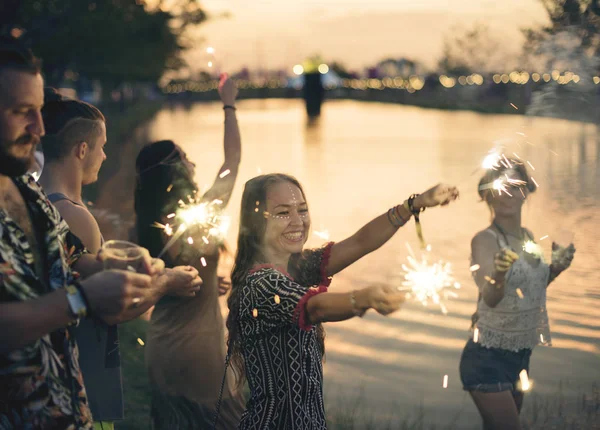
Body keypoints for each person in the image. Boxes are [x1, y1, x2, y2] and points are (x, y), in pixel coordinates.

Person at [0, 35, 166, 429]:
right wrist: (80, 299)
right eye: (23, 111)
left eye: (39, 111)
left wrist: (124, 267)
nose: (39, 128)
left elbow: (72, 261)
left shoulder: (26, 189)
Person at [225, 173, 459, 429]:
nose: (298, 222)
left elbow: (360, 242)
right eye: (283, 213)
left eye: (302, 210)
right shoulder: (260, 284)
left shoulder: (299, 266)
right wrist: (361, 298)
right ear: (256, 221)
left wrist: (415, 203)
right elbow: (315, 307)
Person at [37, 88, 202, 430]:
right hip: (82, 374)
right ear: (82, 150)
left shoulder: (37, 201)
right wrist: (168, 281)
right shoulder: (74, 216)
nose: (105, 155)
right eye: (101, 146)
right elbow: (112, 306)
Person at [134, 74, 244, 429]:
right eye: (187, 159)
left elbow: (175, 280)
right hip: (201, 352)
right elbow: (232, 161)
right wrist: (228, 103)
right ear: (179, 170)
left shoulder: (146, 226)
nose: (194, 164)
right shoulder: (196, 220)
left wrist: (212, 283)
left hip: (163, 348)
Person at [459, 160, 576, 430]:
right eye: (498, 187)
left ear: (526, 192)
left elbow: (527, 291)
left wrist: (555, 269)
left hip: (520, 355)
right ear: (487, 194)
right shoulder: (485, 240)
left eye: (514, 186)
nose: (506, 194)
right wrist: (498, 275)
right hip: (487, 358)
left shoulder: (529, 237)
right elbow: (490, 297)